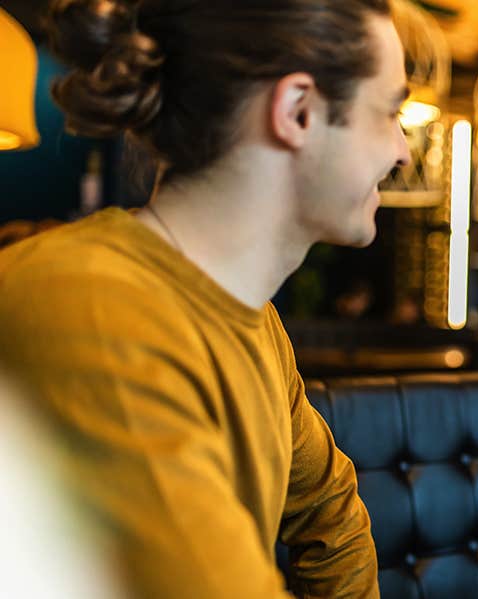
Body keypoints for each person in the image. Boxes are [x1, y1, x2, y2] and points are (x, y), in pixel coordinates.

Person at [0, 0, 411, 597]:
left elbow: (333, 516)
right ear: (297, 111)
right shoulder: (94, 312)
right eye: (390, 112)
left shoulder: (254, 319)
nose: (401, 150)